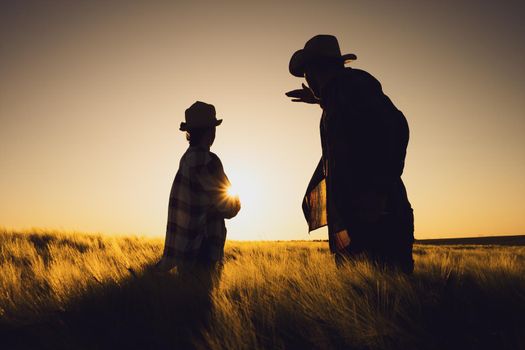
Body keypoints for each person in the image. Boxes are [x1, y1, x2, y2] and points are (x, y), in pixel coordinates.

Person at [286, 35, 414, 273]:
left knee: (381, 300)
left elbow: (396, 127)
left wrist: (377, 191)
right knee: (370, 300)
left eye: (307, 72)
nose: (308, 79)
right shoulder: (342, 93)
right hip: (360, 219)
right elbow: (355, 122)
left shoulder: (352, 87)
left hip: (377, 218)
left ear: (316, 69)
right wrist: (318, 100)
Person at [155, 101, 241, 288]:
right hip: (203, 247)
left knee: (188, 308)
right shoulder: (207, 160)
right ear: (211, 131)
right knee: (203, 307)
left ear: (190, 132)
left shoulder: (186, 159)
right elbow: (229, 207)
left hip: (186, 249)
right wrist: (235, 204)